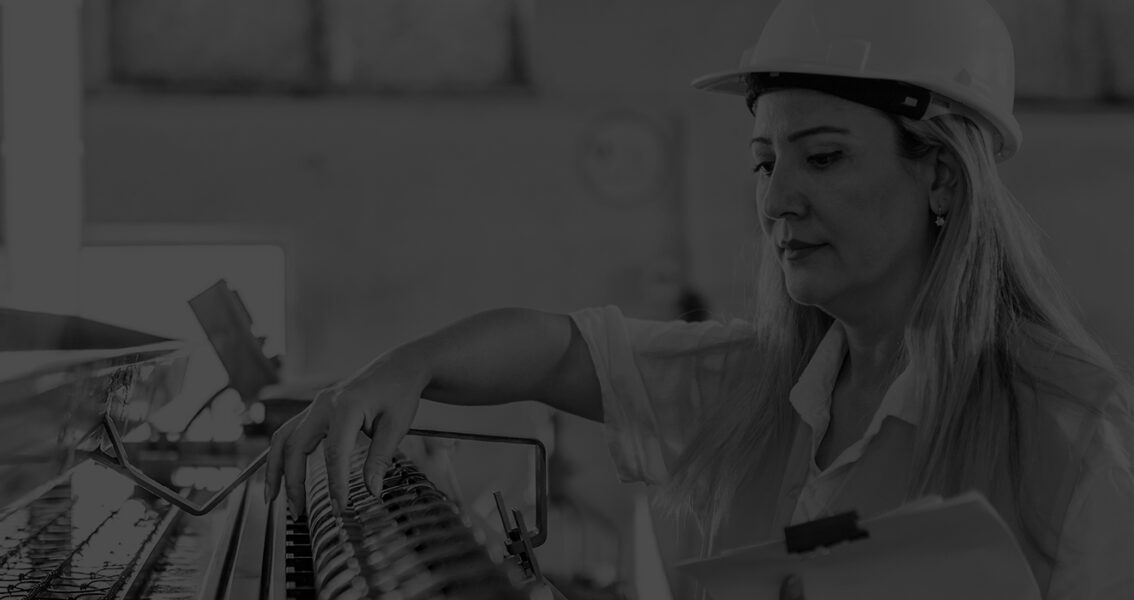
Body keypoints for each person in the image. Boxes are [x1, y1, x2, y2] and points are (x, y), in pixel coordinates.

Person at [262, 0, 1134, 598]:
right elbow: (564, 349)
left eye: (822, 157)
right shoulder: (759, 390)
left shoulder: (1067, 432)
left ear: (940, 173)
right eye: (764, 161)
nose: (777, 200)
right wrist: (401, 371)